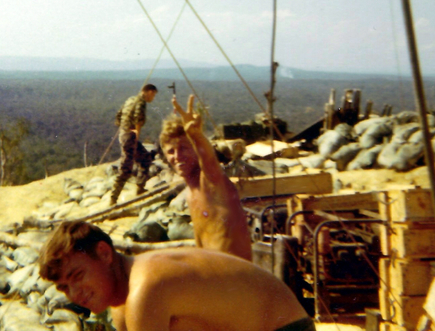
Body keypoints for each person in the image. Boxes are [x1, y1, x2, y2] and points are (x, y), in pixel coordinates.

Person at [39, 220, 315, 331]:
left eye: (78, 276)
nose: (75, 294)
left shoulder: (146, 287)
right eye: (64, 288)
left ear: (104, 253)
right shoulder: (123, 302)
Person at [159, 94, 253, 261]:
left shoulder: (210, 181)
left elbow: (209, 160)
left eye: (183, 148)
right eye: (171, 152)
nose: (177, 156)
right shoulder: (190, 194)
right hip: (213, 275)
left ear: (195, 149)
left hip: (235, 276)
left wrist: (196, 136)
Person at [110, 84, 158, 205]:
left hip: (124, 134)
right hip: (130, 137)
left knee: (145, 159)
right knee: (126, 168)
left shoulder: (130, 99)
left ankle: (140, 189)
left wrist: (123, 127)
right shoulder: (141, 102)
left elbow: (118, 115)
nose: (153, 98)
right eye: (153, 95)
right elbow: (138, 119)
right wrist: (135, 136)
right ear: (149, 92)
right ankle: (113, 199)